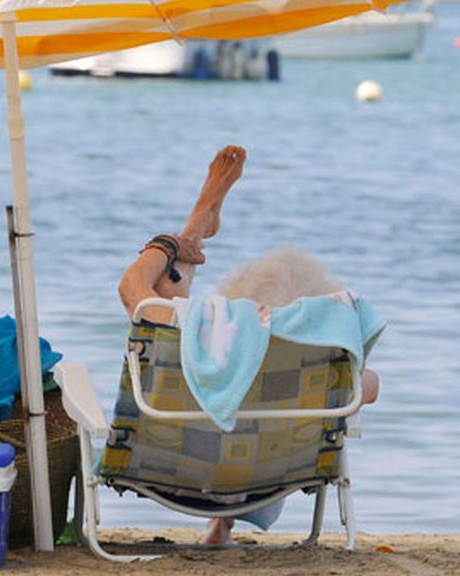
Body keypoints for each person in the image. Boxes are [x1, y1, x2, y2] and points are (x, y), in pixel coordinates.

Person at [117, 145, 379, 545]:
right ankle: (223, 525)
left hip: (170, 476)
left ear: (239, 305)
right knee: (324, 398)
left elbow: (131, 288)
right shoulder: (326, 370)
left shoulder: (204, 345)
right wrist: (359, 375)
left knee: (173, 322)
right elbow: (367, 388)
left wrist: (170, 244)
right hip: (273, 478)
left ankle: (192, 232)